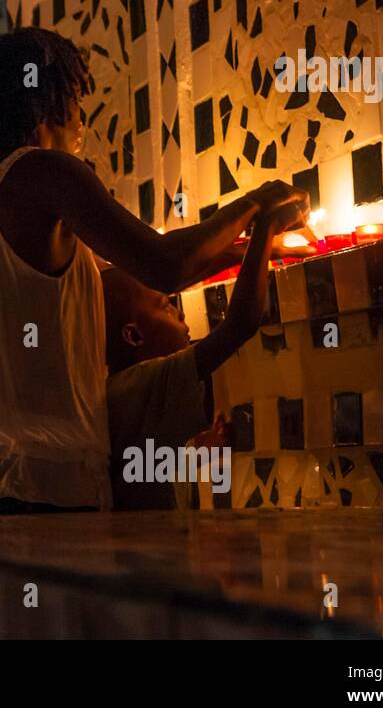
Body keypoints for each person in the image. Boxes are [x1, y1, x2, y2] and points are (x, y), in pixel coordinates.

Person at [0, 27, 309, 516]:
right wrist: (258, 204)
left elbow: (127, 273)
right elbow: (164, 264)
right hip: (30, 484)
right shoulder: (45, 172)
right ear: (49, 101)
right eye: (78, 98)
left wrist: (245, 250)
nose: (82, 118)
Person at [103, 200, 297, 509]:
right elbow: (240, 324)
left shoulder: (118, 393)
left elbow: (140, 471)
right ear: (134, 335)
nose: (180, 314)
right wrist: (266, 227)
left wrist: (194, 454)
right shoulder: (145, 381)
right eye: (166, 305)